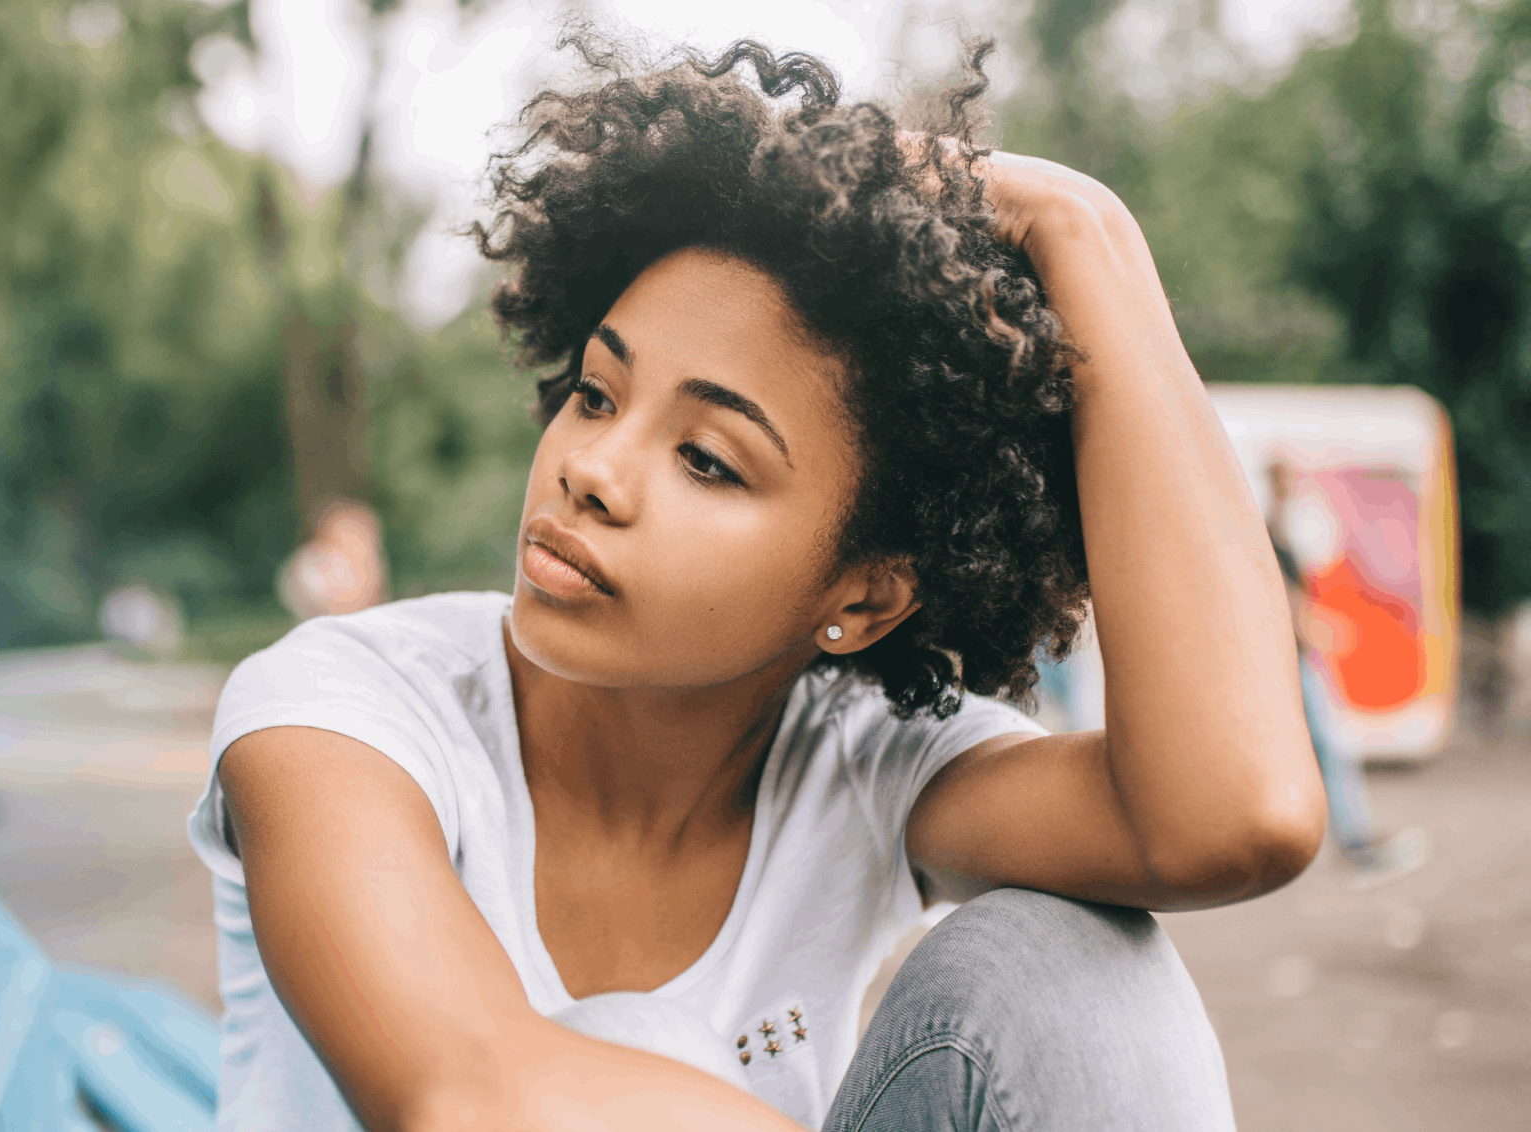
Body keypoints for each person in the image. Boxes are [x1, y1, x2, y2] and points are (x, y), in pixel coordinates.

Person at [187, 38, 1330, 1132]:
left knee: (1075, 962)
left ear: (864, 599)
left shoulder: (863, 767)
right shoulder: (348, 708)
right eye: (595, 393)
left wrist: (1088, 232)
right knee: (640, 1042)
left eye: (706, 460)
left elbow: (1233, 815)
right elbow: (467, 1097)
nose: (589, 471)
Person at [1265, 463, 1428, 889]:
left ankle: (1346, 837)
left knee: (1317, 746)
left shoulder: (1281, 534)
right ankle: (1353, 838)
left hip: (1288, 658)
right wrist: (1318, 629)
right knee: (1329, 744)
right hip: (1289, 659)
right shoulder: (1269, 534)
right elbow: (1285, 596)